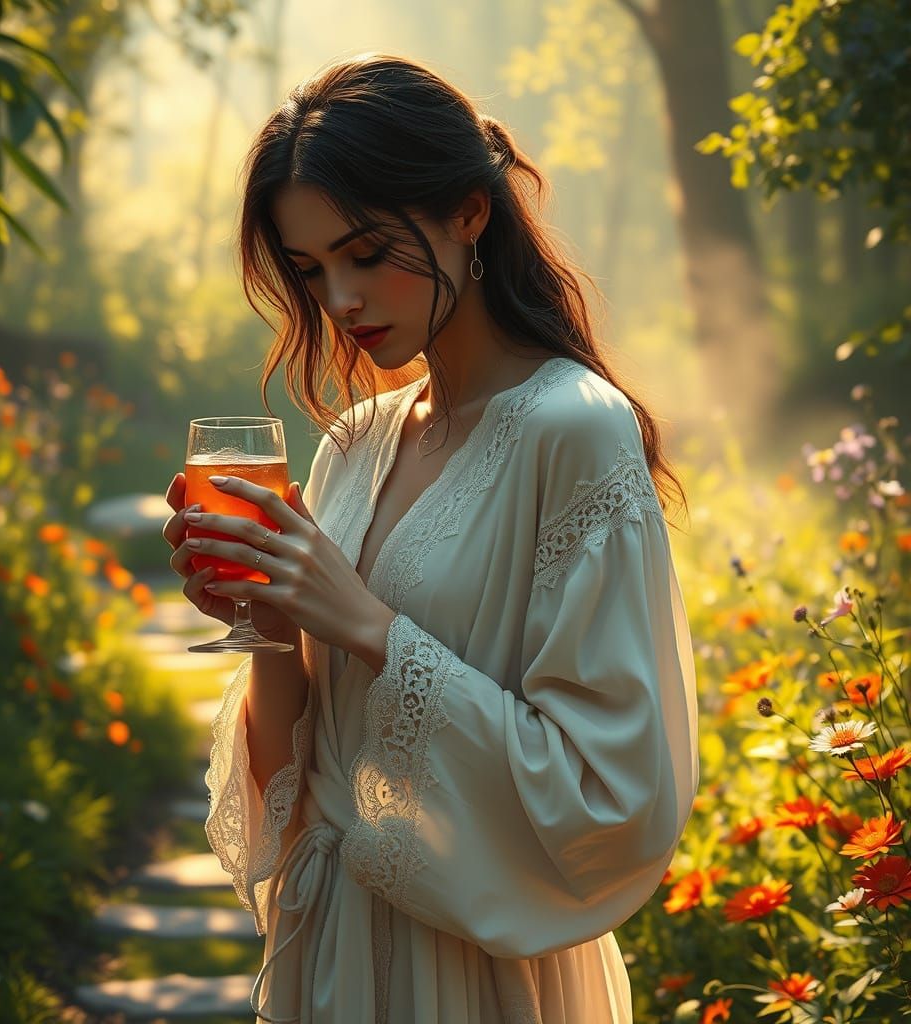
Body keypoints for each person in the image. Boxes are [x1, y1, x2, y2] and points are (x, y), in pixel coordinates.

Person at [163, 52, 699, 1024]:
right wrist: (272, 620)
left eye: (365, 252)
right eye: (312, 267)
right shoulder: (354, 443)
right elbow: (294, 790)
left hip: (475, 973)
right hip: (328, 955)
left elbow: (612, 791)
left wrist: (369, 624)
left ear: (469, 212)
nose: (340, 300)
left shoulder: (572, 430)